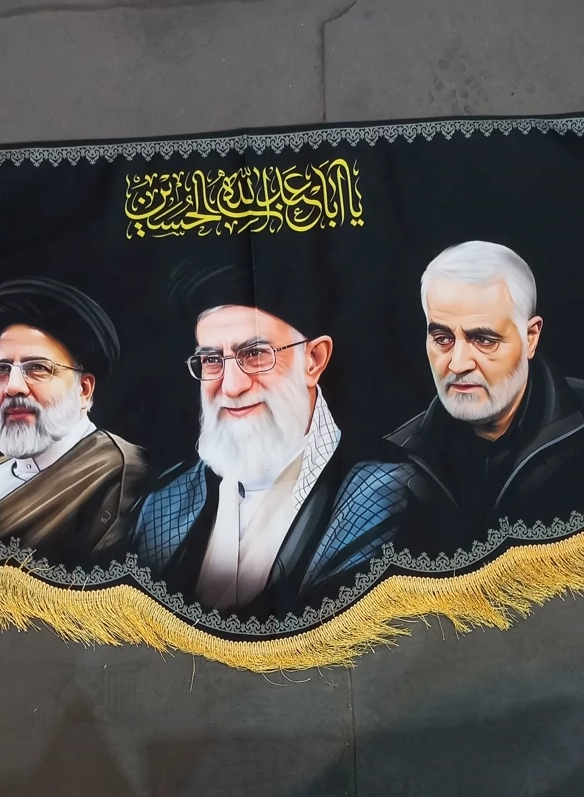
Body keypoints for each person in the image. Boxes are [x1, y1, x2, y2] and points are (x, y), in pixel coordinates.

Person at [133, 263, 412, 615]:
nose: (232, 386)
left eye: (255, 354)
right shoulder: (162, 502)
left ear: (313, 361)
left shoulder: (389, 491)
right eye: (212, 360)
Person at [387, 241, 584, 556]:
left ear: (530, 337)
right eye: (442, 338)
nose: (458, 364)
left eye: (483, 340)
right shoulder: (396, 459)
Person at [0, 277, 148, 567]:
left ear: (84, 390)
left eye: (37, 368)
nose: (12, 387)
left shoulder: (122, 477)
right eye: (1, 370)